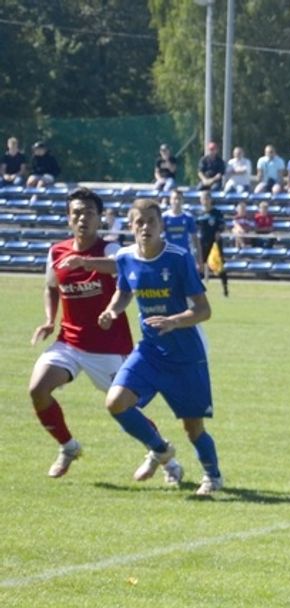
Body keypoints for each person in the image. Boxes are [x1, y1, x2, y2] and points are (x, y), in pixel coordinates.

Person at [95, 198, 222, 496]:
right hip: (150, 352)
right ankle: (160, 450)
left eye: (151, 221)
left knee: (193, 429)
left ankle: (212, 476)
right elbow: (124, 292)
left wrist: (174, 321)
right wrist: (113, 310)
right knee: (115, 402)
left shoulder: (178, 259)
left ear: (161, 225)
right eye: (139, 222)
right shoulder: (126, 258)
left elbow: (204, 310)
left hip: (185, 355)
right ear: (130, 226)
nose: (145, 227)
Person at [28, 188, 135, 478]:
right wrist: (50, 320)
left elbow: (125, 274)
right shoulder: (56, 252)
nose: (82, 218)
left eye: (89, 212)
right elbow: (51, 286)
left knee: (126, 409)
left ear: (100, 218)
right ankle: (68, 446)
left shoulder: (110, 250)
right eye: (76, 212)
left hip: (109, 346)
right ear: (68, 218)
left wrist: (87, 265)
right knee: (38, 390)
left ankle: (162, 454)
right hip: (70, 342)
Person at [196, 190, 229, 297]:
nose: (204, 201)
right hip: (202, 243)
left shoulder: (217, 213)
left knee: (219, 266)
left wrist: (219, 231)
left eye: (206, 198)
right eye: (203, 199)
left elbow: (222, 225)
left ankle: (225, 290)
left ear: (210, 200)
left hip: (215, 244)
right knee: (200, 267)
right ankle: (196, 290)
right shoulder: (198, 214)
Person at [162, 189, 200, 266]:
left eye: (179, 198)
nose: (177, 201)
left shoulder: (188, 217)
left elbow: (195, 238)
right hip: (169, 254)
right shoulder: (164, 217)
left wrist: (198, 259)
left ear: (183, 201)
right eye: (175, 198)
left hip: (184, 254)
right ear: (170, 200)